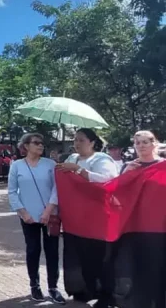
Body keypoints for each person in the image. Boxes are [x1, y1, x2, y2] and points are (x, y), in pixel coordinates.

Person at [57, 128, 118, 307]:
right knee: (80, 257)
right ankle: (84, 290)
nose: (76, 143)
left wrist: (78, 170)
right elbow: (60, 184)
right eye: (75, 140)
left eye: (81, 140)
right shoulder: (70, 159)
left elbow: (108, 181)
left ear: (92, 142)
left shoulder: (101, 159)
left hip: (97, 218)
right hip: (75, 219)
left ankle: (106, 295)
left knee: (99, 257)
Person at [8, 133, 65, 304]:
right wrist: (23, 212)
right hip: (29, 217)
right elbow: (12, 191)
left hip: (50, 215)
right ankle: (35, 286)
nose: (41, 145)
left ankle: (53, 287)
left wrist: (49, 210)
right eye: (36, 143)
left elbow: (57, 189)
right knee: (33, 250)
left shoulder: (51, 164)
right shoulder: (17, 165)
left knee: (52, 252)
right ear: (26, 146)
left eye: (42, 143)